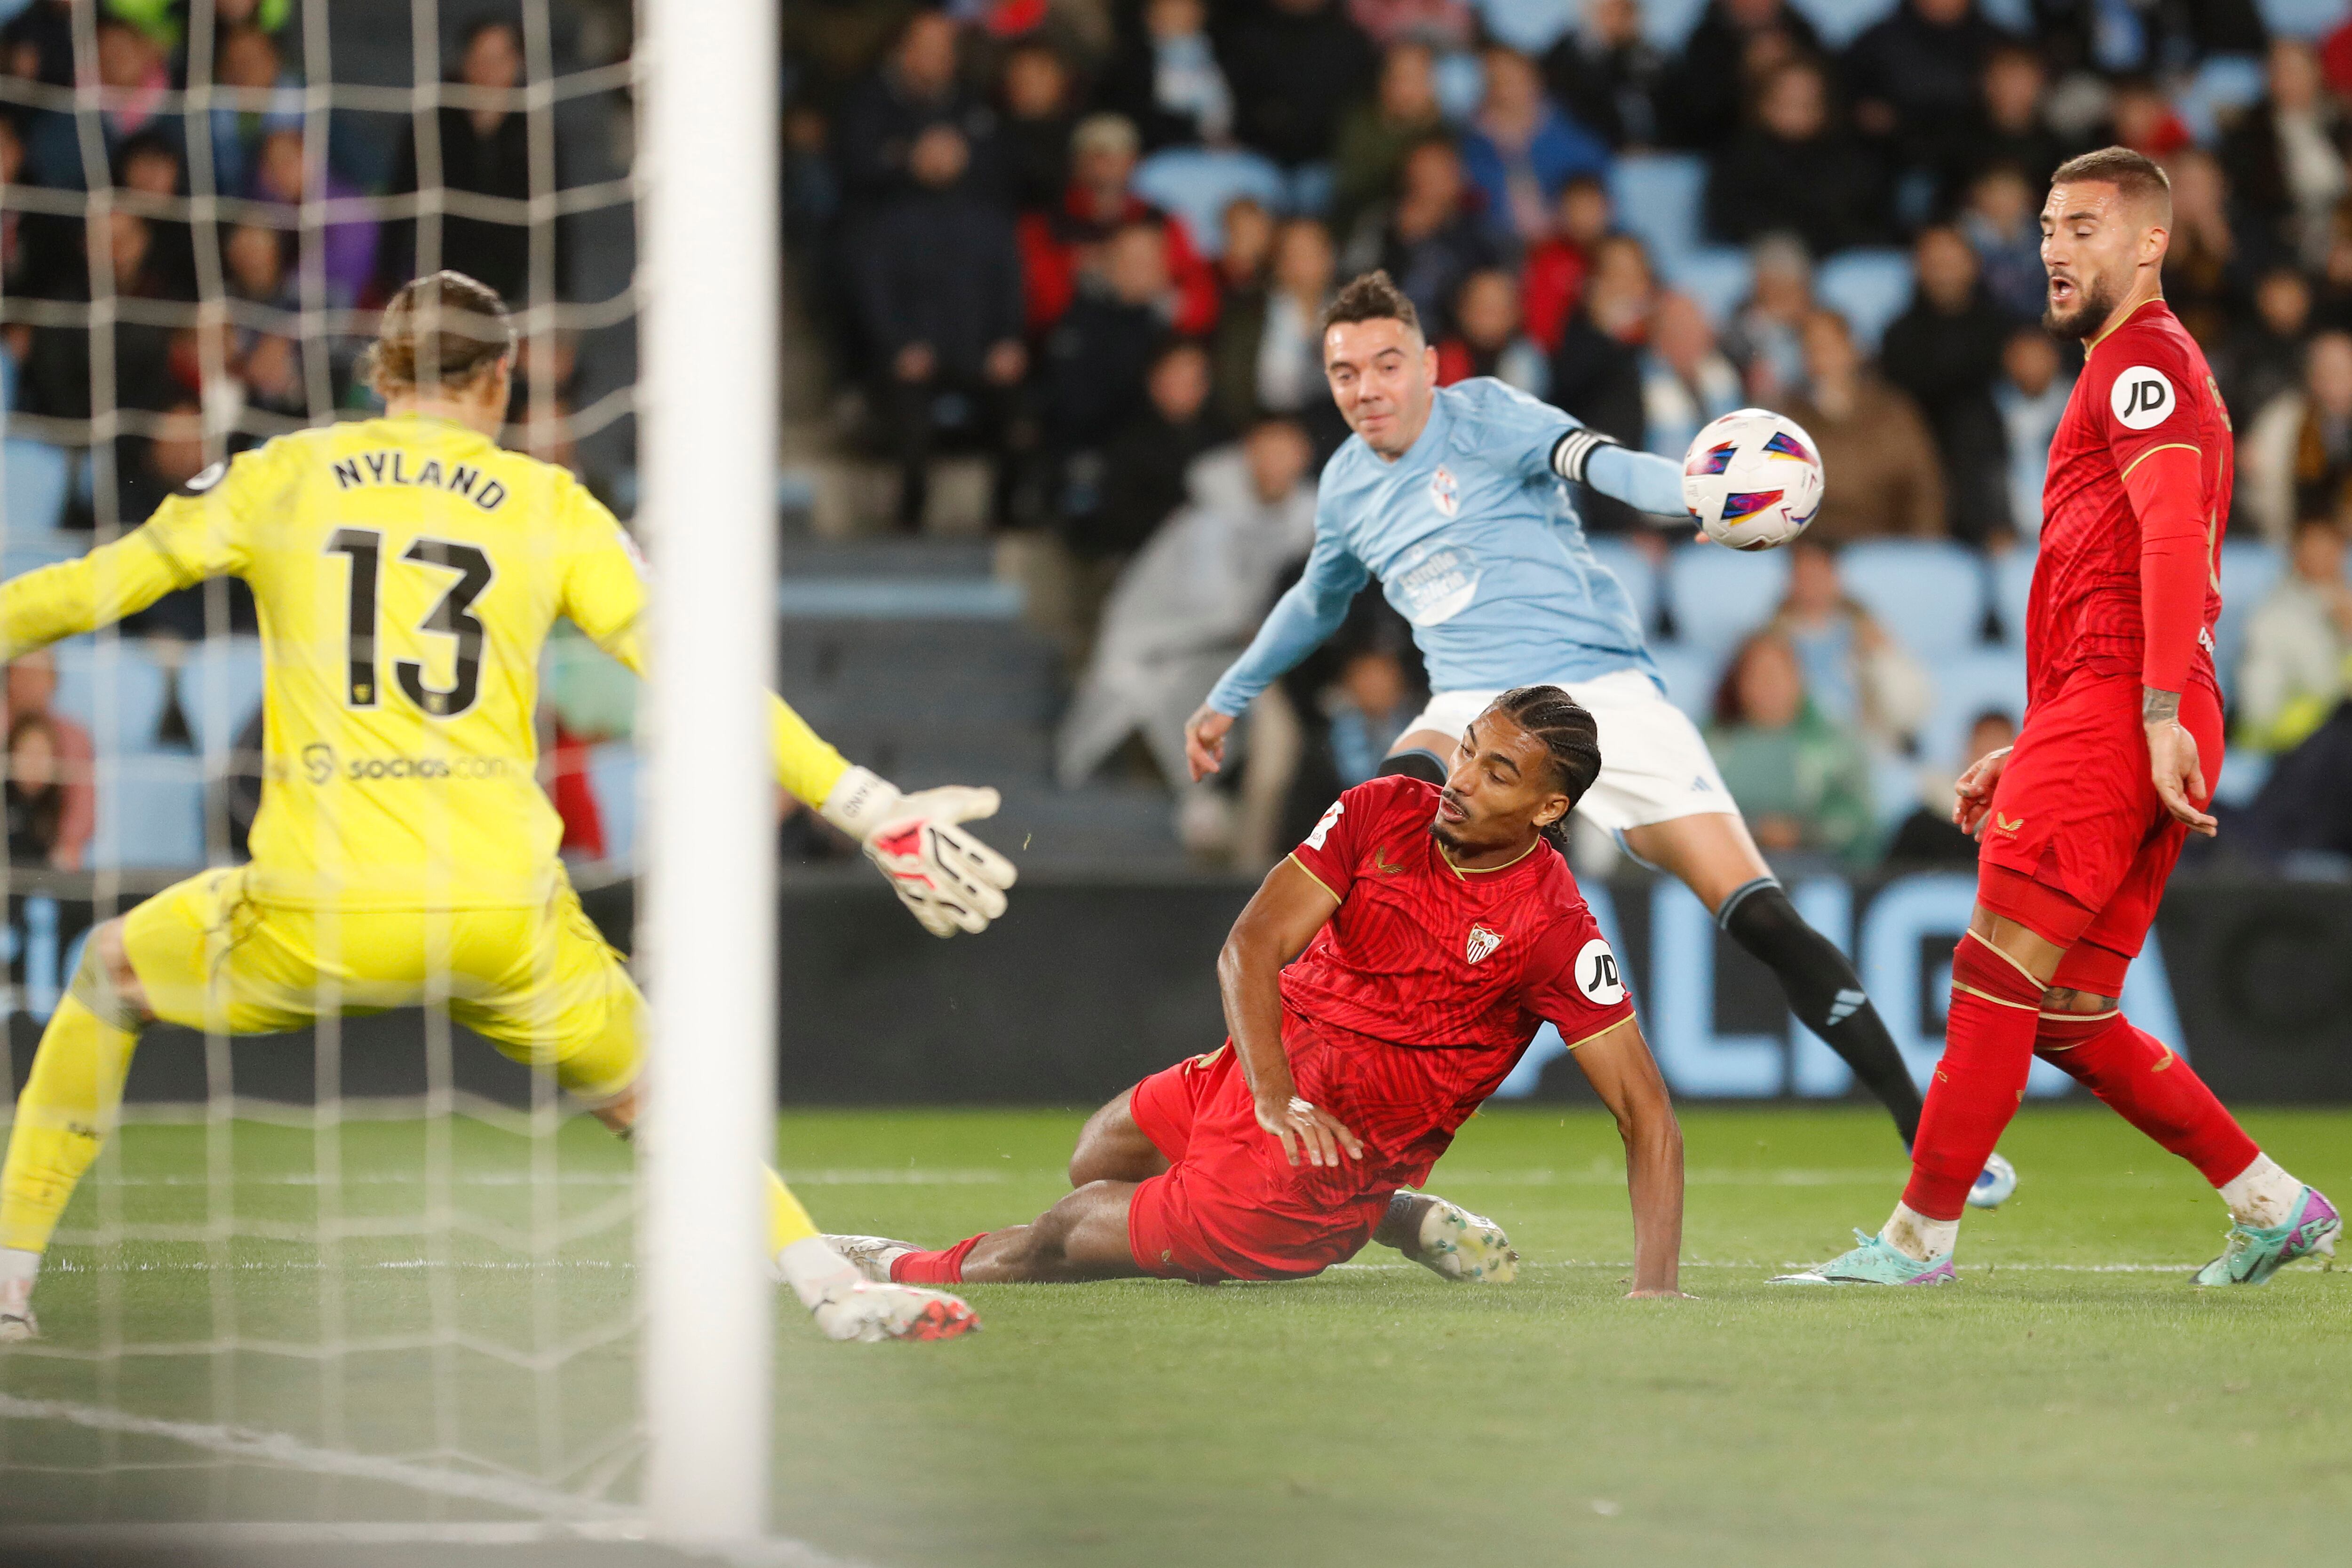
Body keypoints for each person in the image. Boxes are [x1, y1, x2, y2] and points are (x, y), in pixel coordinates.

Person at [0, 273, 1020, 1346]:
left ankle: (8, 1284)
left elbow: (84, 589)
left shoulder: (285, 475)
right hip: (499, 911)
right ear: (503, 375)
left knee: (109, 972)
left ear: (379, 372)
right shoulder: (551, 505)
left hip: (319, 903)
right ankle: (831, 1286)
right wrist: (861, 802)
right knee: (657, 1097)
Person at [1178, 269, 1990, 1188]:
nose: (1366, 387)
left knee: (1761, 917)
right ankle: (1298, 1116)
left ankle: (1924, 1126)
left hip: (1607, 690)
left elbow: (1595, 460)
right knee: (1376, 835)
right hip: (1471, 705)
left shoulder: (1484, 415)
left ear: (1429, 366)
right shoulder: (1346, 486)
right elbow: (1314, 602)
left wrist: (1690, 488)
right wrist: (1229, 695)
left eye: (1386, 363)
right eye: (1344, 372)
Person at [1778, 148, 2339, 1290]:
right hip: (2116, 711)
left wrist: (2143, 715)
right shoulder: (2136, 366)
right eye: (2044, 227)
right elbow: (2117, 568)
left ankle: (1915, 1240)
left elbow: (2175, 535)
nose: (2052, 247)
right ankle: (2271, 1202)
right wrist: (2049, 738)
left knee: (1992, 973)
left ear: (2149, 243)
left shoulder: (2143, 362)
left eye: (2083, 226)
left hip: (2126, 708)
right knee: (2069, 1010)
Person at [827, 689, 1687, 1296]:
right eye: (1467, 747)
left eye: (1498, 772)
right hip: (1267, 1082)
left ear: (1548, 809)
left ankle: (883, 1263)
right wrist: (1272, 1088)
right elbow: (1251, 945)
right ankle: (1385, 1216)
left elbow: (1646, 1112)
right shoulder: (1383, 809)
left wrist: (1653, 1290)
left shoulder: (1555, 926)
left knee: (1065, 1231)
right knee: (1098, 1156)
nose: (1461, 777)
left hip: (1309, 1173)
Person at [1704, 630, 1877, 865]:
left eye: (1778, 674)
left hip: (1824, 871)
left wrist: (1803, 834)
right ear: (1738, 683)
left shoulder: (1836, 745)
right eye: (1758, 675)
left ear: (1799, 680)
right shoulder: (1709, 745)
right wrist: (1754, 832)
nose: (1769, 685)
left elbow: (1859, 819)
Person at [1775, 308, 1946, 542]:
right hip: (1810, 554)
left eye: (1830, 347)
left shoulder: (1894, 413)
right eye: (1812, 349)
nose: (1822, 357)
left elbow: (1925, 492)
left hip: (1884, 549)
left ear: (1853, 350)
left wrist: (1918, 552)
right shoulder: (1784, 419)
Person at [1769, 538, 1930, 752]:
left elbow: (1910, 708)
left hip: (1866, 744)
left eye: (1819, 574)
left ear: (1835, 577)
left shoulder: (1867, 632)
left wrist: (1881, 658)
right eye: (1803, 576)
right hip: (1798, 746)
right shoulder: (1772, 640)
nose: (1811, 586)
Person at [2236, 515, 2352, 754]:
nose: (2326, 558)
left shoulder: (2342, 607)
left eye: (2332, 550)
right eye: (2316, 549)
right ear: (2296, 554)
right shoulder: (2273, 617)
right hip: (2284, 745)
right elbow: (2261, 707)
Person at [1883, 709, 2016, 865]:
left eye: (1999, 747)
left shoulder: (2027, 825)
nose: (1991, 759)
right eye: (1983, 747)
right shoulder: (1925, 822)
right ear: (1967, 750)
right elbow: (1893, 880)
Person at [4, 713, 67, 867]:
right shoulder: (4, 799)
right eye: (28, 753)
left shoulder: (58, 803)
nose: (34, 763)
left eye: (41, 754)